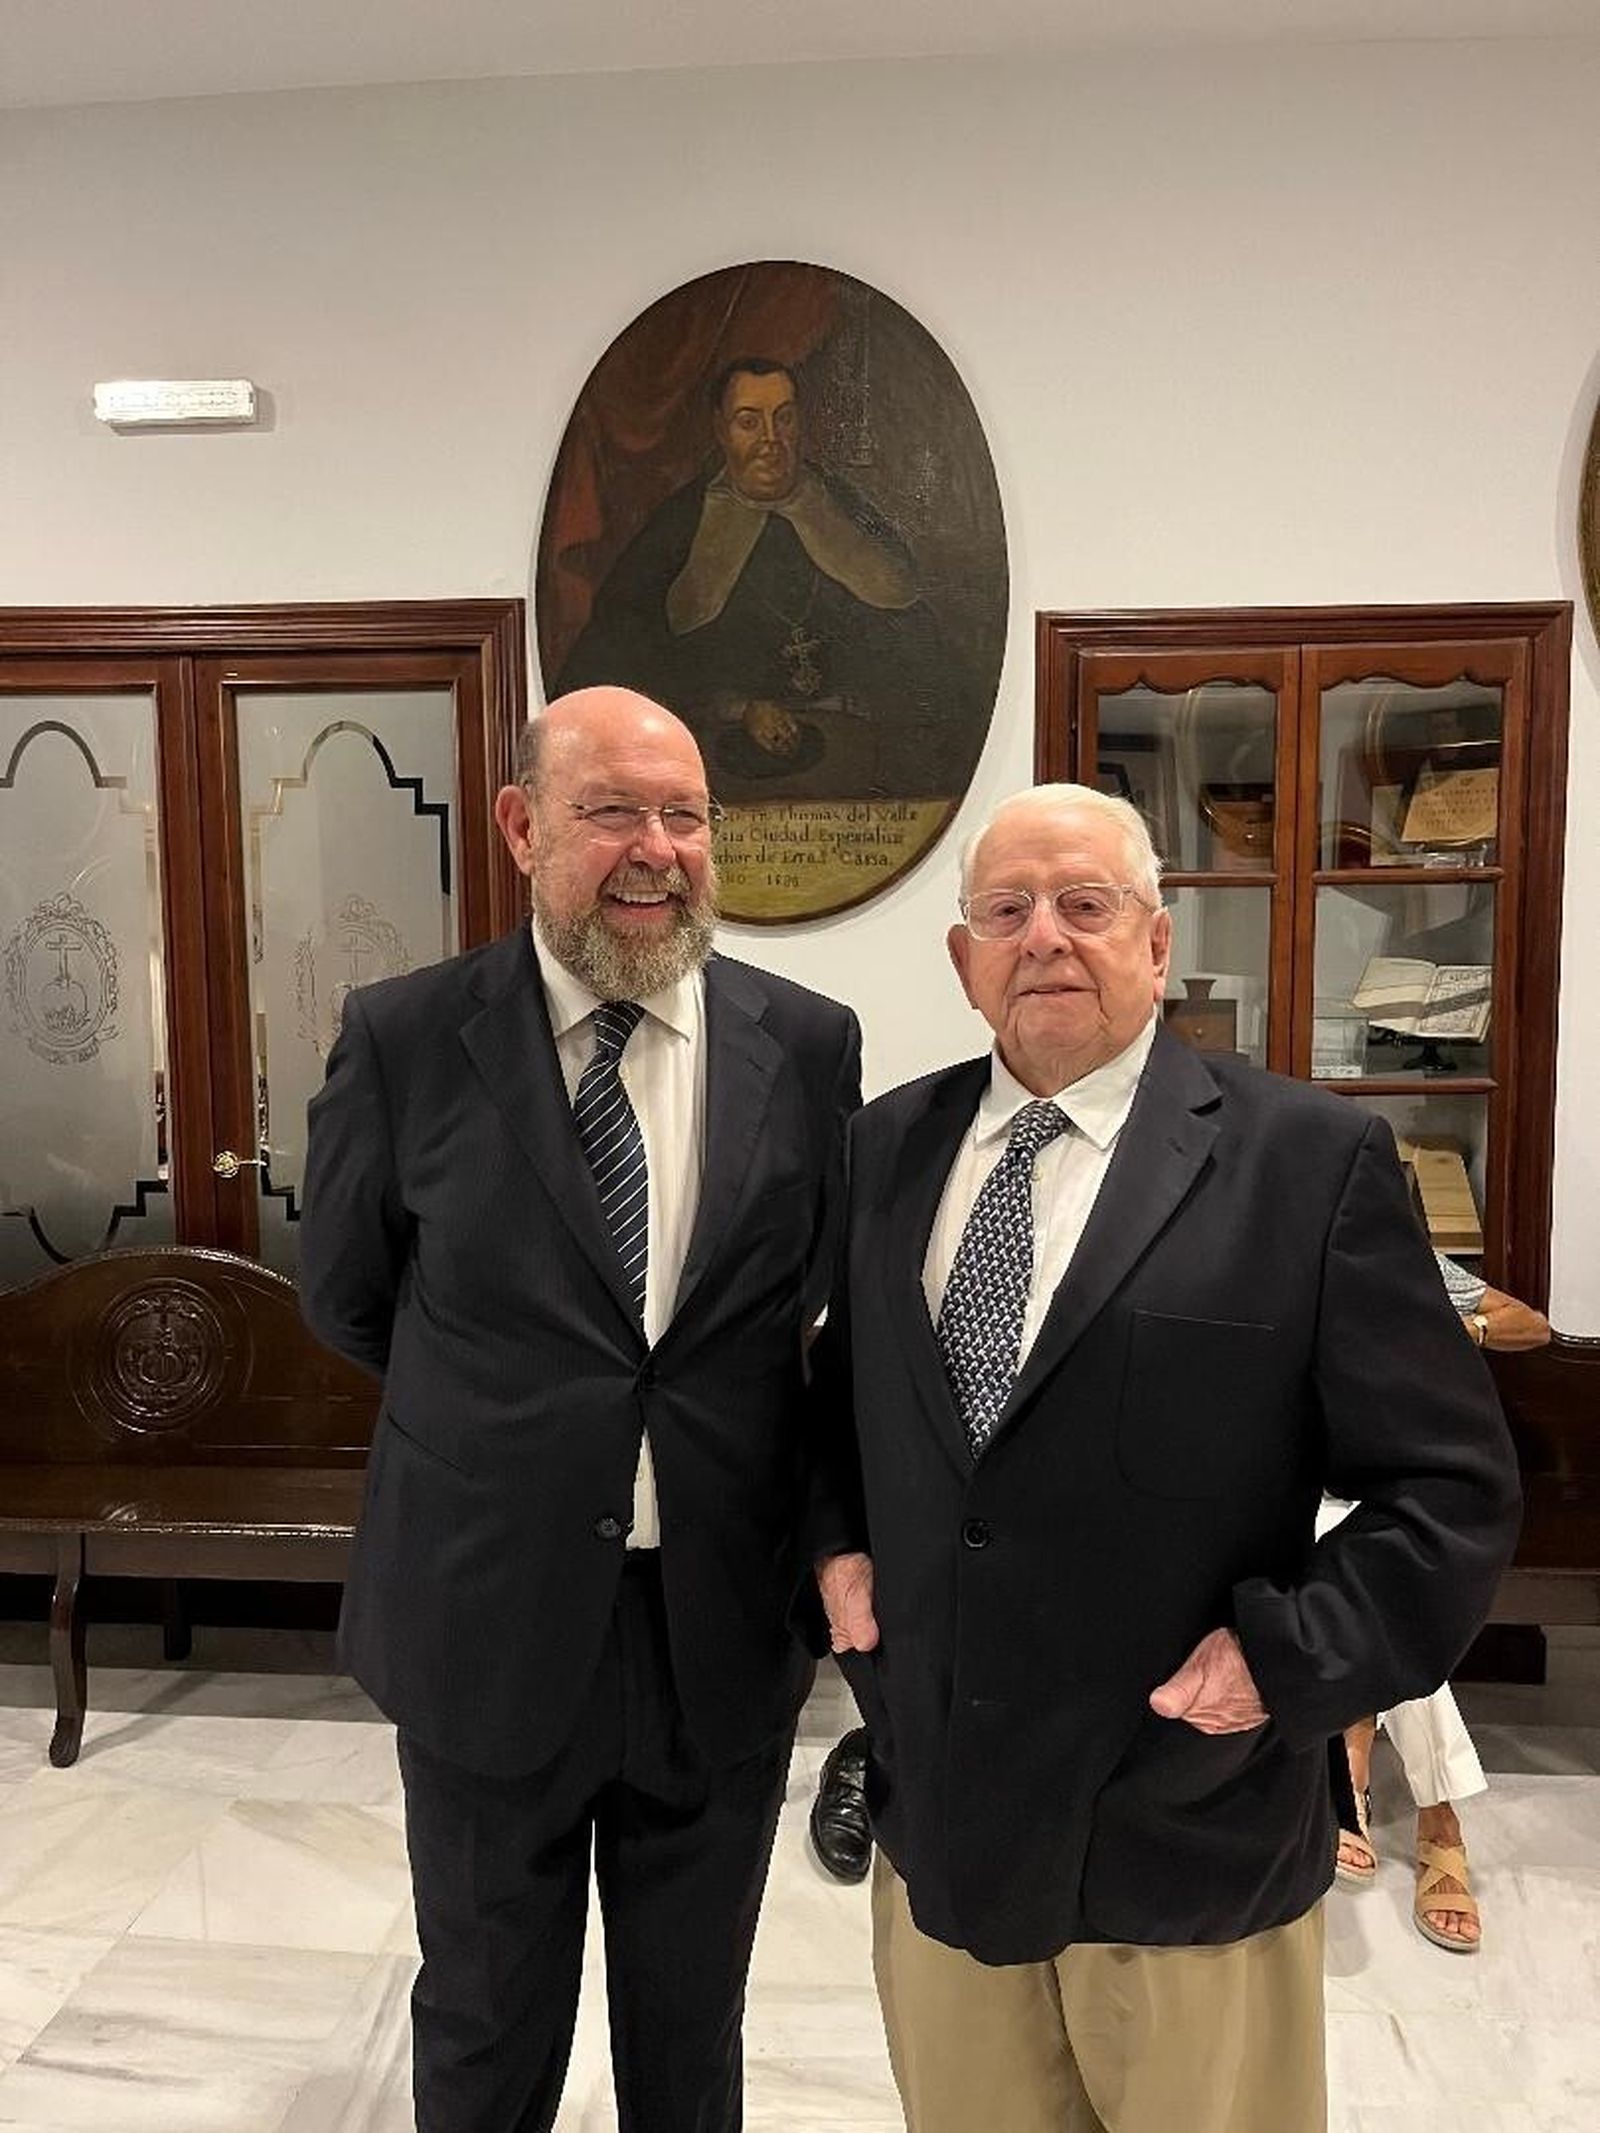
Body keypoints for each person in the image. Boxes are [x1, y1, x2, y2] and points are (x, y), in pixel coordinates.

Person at [810, 782, 1520, 2133]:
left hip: (1185, 1836)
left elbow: (1451, 1493)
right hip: (948, 1824)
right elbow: (836, 1404)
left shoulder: (1308, 1165)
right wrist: (832, 1540)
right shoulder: (883, 1150)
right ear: (963, 960)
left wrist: (1287, 1656)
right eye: (1006, 912)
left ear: (1155, 939)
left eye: (1086, 906)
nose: (1046, 940)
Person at [299, 685, 861, 2133]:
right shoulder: (409, 1037)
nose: (655, 848)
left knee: (692, 2036)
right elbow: (351, 1297)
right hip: (487, 1620)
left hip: (716, 1631)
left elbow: (810, 1318)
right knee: (486, 2028)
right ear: (522, 824)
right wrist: (514, 1425)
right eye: (612, 808)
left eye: (684, 814)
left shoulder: (808, 1045)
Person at [556, 357, 960, 799]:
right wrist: (737, 708)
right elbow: (621, 657)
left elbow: (914, 643)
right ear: (720, 429)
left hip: (856, 771)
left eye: (783, 419)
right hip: (713, 773)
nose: (771, 440)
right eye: (749, 422)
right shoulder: (678, 526)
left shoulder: (846, 509)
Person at [1333, 1256, 1552, 1953]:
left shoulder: (1407, 1258)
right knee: (1374, 1578)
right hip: (1308, 1482)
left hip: (1399, 1477)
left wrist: (1464, 1326)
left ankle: (1351, 1773)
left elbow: (1533, 1324)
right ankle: (1439, 1818)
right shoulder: (1274, 1247)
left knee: (1385, 1575)